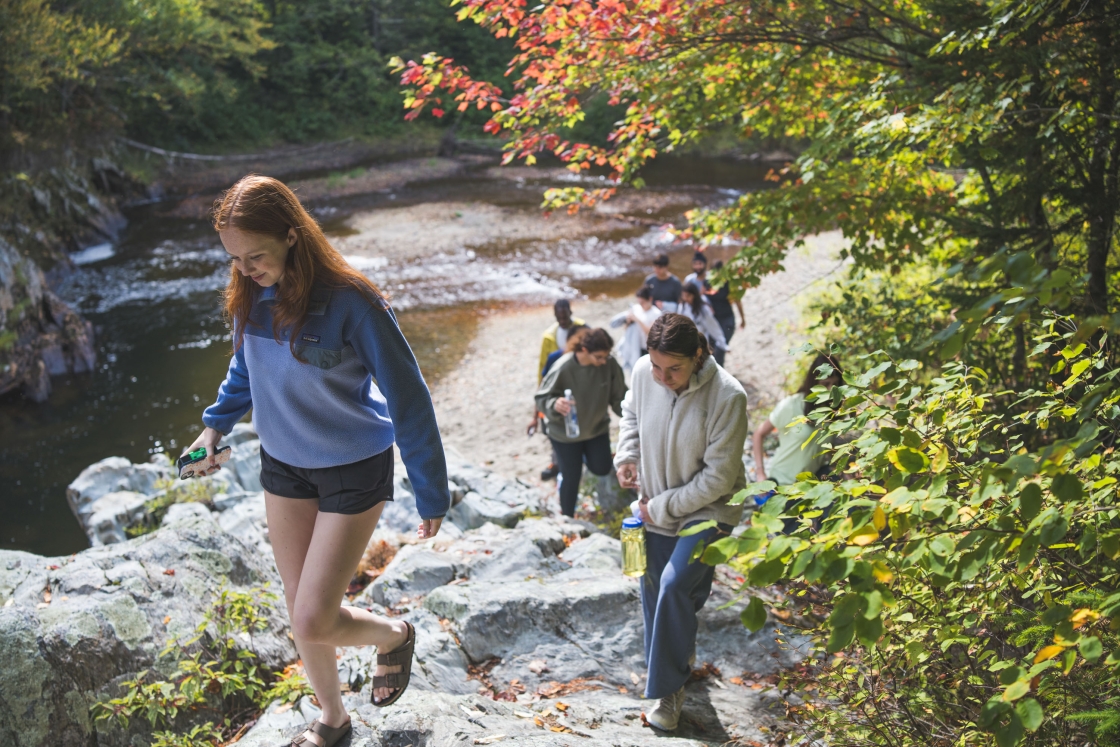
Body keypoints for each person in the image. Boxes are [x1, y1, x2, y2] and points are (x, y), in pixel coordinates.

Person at [184, 175, 450, 747]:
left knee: (312, 618)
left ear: (291, 235)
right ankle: (333, 720)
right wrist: (213, 427)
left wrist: (431, 490)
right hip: (283, 465)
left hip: (354, 466)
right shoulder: (249, 291)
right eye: (234, 257)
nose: (245, 268)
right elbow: (245, 369)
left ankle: (393, 635)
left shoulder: (353, 302)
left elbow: (409, 399)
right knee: (298, 605)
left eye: (255, 255)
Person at [614, 314, 749, 732]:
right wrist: (627, 457)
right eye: (655, 366)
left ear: (699, 355)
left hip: (708, 512)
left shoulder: (728, 396)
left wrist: (663, 507)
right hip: (655, 505)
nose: (661, 377)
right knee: (656, 593)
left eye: (673, 369)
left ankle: (668, 689)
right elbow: (630, 415)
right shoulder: (643, 372)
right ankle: (673, 670)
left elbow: (718, 479)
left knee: (675, 587)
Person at [535, 328, 627, 517]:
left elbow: (620, 398)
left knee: (601, 467)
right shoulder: (564, 367)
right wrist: (555, 403)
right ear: (584, 350)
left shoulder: (609, 365)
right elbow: (541, 398)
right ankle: (567, 519)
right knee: (572, 476)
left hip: (596, 429)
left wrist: (634, 415)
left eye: (606, 356)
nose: (604, 361)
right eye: (599, 357)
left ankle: (583, 457)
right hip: (565, 434)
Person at [752, 353, 843, 487]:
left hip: (810, 481)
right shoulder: (791, 405)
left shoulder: (831, 409)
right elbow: (758, 434)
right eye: (825, 384)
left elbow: (826, 446)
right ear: (814, 382)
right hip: (783, 483)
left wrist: (841, 470)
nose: (830, 390)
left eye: (835, 384)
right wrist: (760, 473)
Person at [535, 300, 586, 480]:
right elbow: (544, 369)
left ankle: (581, 459)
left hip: (579, 383)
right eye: (559, 317)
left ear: (571, 312)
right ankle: (557, 463)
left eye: (565, 316)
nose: (563, 320)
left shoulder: (582, 328)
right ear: (555, 316)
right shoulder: (549, 337)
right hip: (558, 388)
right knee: (555, 426)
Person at [612, 286, 662, 372]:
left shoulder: (656, 313)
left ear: (650, 299)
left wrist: (637, 319)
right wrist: (628, 321)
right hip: (635, 346)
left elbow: (649, 332)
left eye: (642, 302)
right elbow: (626, 328)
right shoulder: (636, 308)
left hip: (647, 348)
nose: (641, 305)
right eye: (639, 302)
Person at [678, 282, 728, 366]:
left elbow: (713, 327)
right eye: (684, 296)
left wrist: (722, 343)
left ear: (694, 295)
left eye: (688, 296)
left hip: (700, 342)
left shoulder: (703, 309)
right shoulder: (682, 306)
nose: (686, 298)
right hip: (685, 343)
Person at [707, 260, 746, 345]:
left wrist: (743, 319)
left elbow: (737, 301)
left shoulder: (729, 283)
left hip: (727, 319)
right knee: (712, 348)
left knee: (722, 346)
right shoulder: (707, 283)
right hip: (712, 320)